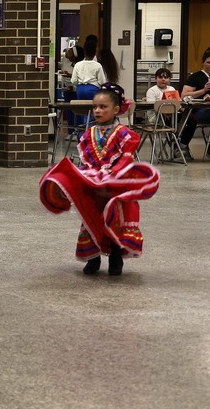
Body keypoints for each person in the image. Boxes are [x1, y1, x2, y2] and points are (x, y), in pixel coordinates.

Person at [39, 83, 159, 276]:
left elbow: (124, 161)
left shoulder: (126, 135)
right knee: (91, 218)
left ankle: (115, 257)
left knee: (114, 218)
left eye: (103, 107)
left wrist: (109, 180)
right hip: (93, 185)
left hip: (115, 186)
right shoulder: (88, 135)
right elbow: (85, 162)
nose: (97, 111)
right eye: (95, 107)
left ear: (116, 109)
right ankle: (93, 258)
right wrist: (83, 179)